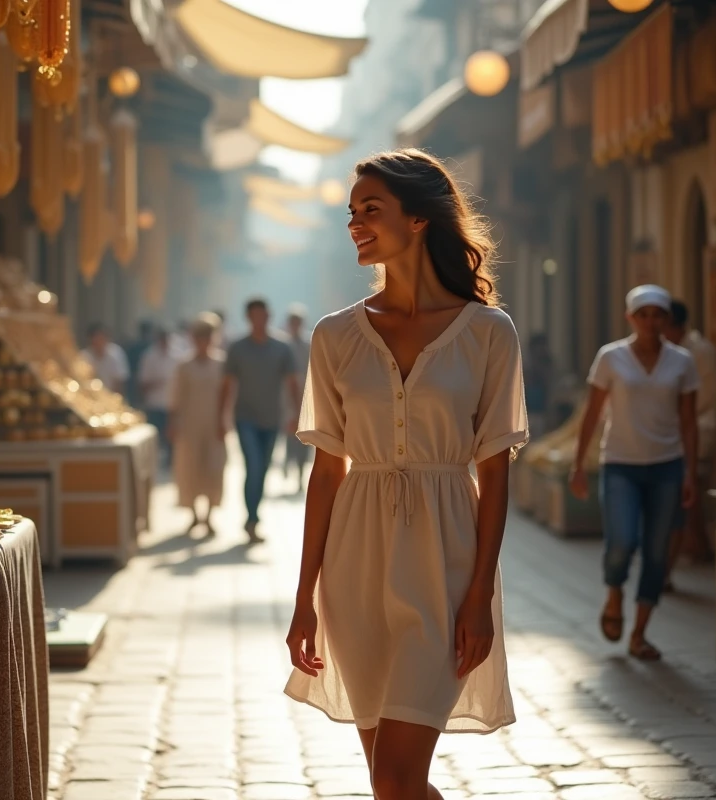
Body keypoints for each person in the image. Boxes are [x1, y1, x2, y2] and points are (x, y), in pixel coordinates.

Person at [284, 149, 528, 800]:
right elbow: (326, 474)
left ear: (418, 220)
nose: (355, 223)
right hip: (353, 563)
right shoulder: (335, 337)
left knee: (395, 778)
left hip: (446, 562)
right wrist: (304, 597)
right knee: (392, 783)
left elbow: (496, 474)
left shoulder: (488, 334)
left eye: (372, 209)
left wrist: (480, 595)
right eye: (350, 212)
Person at [569, 284, 699, 662]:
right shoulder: (611, 358)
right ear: (630, 318)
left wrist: (689, 472)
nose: (651, 321)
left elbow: (688, 422)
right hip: (620, 464)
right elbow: (591, 413)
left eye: (658, 315)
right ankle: (614, 594)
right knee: (622, 541)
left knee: (658, 552)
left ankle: (639, 633)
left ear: (666, 319)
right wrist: (579, 465)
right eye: (643, 315)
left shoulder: (682, 362)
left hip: (666, 466)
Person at [220, 298, 298, 542]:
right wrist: (220, 417)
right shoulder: (238, 348)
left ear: (269, 316)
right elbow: (227, 384)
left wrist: (297, 414)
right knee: (252, 467)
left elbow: (292, 384)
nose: (259, 320)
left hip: (272, 418)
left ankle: (254, 515)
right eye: (254, 315)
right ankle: (252, 519)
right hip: (245, 418)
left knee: (262, 470)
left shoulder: (281, 347)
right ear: (248, 318)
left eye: (263, 315)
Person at [664, 299, 716, 582]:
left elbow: (704, 399)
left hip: (699, 427)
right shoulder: (675, 350)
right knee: (687, 489)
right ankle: (695, 543)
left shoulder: (698, 352)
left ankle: (698, 543)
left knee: (690, 487)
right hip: (679, 430)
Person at [169, 314, 227, 535]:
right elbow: (176, 397)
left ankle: (209, 516)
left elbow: (228, 395)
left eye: (208, 336)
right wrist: (173, 423)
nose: (203, 341)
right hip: (189, 425)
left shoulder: (222, 363)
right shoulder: (184, 366)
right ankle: (194, 515)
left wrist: (225, 422)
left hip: (215, 425)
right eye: (199, 336)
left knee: (214, 469)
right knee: (189, 469)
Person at [138, 327, 178, 462]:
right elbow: (143, 382)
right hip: (154, 403)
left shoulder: (177, 356)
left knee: (172, 438)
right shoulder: (149, 356)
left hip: (172, 404)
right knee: (156, 438)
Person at [283, 305, 312, 492]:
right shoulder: (283, 345)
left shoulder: (310, 343)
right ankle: (288, 463)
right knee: (288, 435)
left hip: (307, 398)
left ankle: (301, 474)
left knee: (305, 437)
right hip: (286, 398)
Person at [80, 323, 129, 394]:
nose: (99, 342)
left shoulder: (116, 353)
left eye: (102, 338)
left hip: (111, 396)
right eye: (96, 339)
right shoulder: (83, 357)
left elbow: (119, 381)